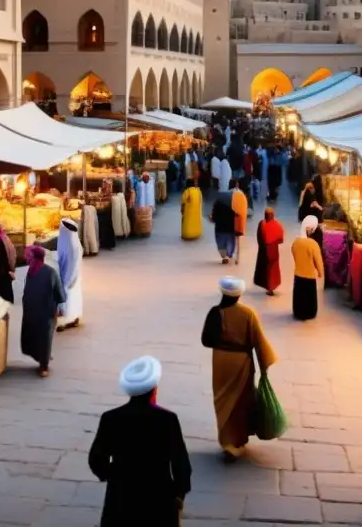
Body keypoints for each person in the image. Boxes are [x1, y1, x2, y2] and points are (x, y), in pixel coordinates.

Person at [88, 356, 192, 526]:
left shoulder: (111, 418)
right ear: (154, 389)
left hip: (120, 497)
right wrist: (180, 492)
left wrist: (111, 475)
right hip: (159, 496)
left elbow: (96, 460)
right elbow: (181, 463)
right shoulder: (168, 420)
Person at [200, 277, 277, 460]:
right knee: (240, 400)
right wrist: (264, 364)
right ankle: (237, 441)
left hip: (220, 361)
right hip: (241, 362)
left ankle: (226, 441)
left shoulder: (215, 312)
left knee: (222, 400)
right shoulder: (247, 313)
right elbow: (258, 340)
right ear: (239, 294)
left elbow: (205, 340)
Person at [21, 244, 66, 377]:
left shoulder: (32, 272)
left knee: (38, 337)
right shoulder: (50, 272)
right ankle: (43, 364)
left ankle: (43, 363)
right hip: (46, 312)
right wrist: (60, 308)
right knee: (45, 338)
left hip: (34, 312)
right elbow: (60, 293)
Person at [291, 215, 324, 320]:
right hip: (309, 275)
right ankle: (309, 313)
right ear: (308, 229)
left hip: (298, 274)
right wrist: (320, 272)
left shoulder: (295, 243)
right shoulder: (313, 244)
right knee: (309, 297)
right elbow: (318, 261)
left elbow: (294, 254)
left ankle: (298, 312)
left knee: (299, 295)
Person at [57, 218, 84, 330]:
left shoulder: (69, 242)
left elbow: (70, 262)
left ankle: (67, 320)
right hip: (73, 276)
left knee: (68, 298)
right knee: (72, 297)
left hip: (69, 277)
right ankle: (73, 317)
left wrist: (67, 281)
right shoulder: (72, 239)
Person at [253, 207, 284, 295]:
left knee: (266, 269)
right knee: (273, 269)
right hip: (274, 250)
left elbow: (259, 237)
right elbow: (280, 240)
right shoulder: (278, 225)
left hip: (264, 250)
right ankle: (272, 287)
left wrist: (262, 246)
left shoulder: (262, 224)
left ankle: (269, 288)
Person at [210, 188, 237, 264]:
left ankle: (224, 256)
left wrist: (212, 219)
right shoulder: (233, 204)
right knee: (230, 242)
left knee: (221, 243)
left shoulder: (217, 204)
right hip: (230, 228)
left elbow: (214, 217)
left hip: (220, 228)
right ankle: (229, 255)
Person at [231, 179, 248, 266]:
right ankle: (238, 257)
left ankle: (231, 255)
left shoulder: (230, 194)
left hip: (232, 220)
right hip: (240, 220)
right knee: (238, 241)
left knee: (231, 239)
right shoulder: (242, 195)